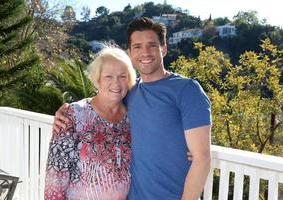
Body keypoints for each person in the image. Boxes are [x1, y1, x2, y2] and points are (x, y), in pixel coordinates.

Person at [53, 17, 211, 200]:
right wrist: (67, 114)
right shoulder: (130, 91)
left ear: (164, 48)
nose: (145, 52)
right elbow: (102, 101)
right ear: (129, 52)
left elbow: (202, 159)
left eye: (152, 45)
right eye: (137, 46)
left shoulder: (187, 90)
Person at [44, 45, 136, 200]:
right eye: (108, 76)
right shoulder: (74, 115)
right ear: (98, 79)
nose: (116, 83)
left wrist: (189, 150)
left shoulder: (134, 117)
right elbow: (56, 177)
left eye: (122, 76)